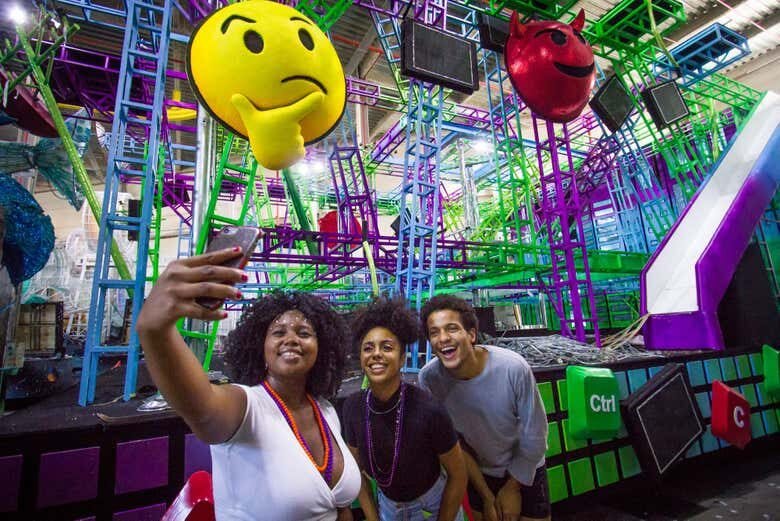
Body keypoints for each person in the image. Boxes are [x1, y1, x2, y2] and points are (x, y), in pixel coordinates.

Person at [136, 247, 360, 520]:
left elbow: (340, 508)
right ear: (260, 348)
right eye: (278, 332)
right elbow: (201, 407)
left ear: (321, 349)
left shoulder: (326, 411)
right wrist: (155, 330)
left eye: (304, 333)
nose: (291, 339)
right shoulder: (245, 408)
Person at [418, 296, 550, 521]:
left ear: (471, 334)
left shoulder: (513, 368)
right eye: (434, 332)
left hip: (524, 468)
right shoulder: (429, 379)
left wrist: (513, 487)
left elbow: (535, 435)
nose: (443, 339)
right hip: (479, 472)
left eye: (452, 328)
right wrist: (486, 496)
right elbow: (455, 444)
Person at [341, 297, 467, 521]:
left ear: (402, 359)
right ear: (361, 359)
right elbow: (356, 472)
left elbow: (458, 475)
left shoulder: (428, 409)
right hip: (388, 508)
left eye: (387, 347)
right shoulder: (353, 407)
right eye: (368, 348)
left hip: (433, 505)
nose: (376, 354)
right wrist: (372, 517)